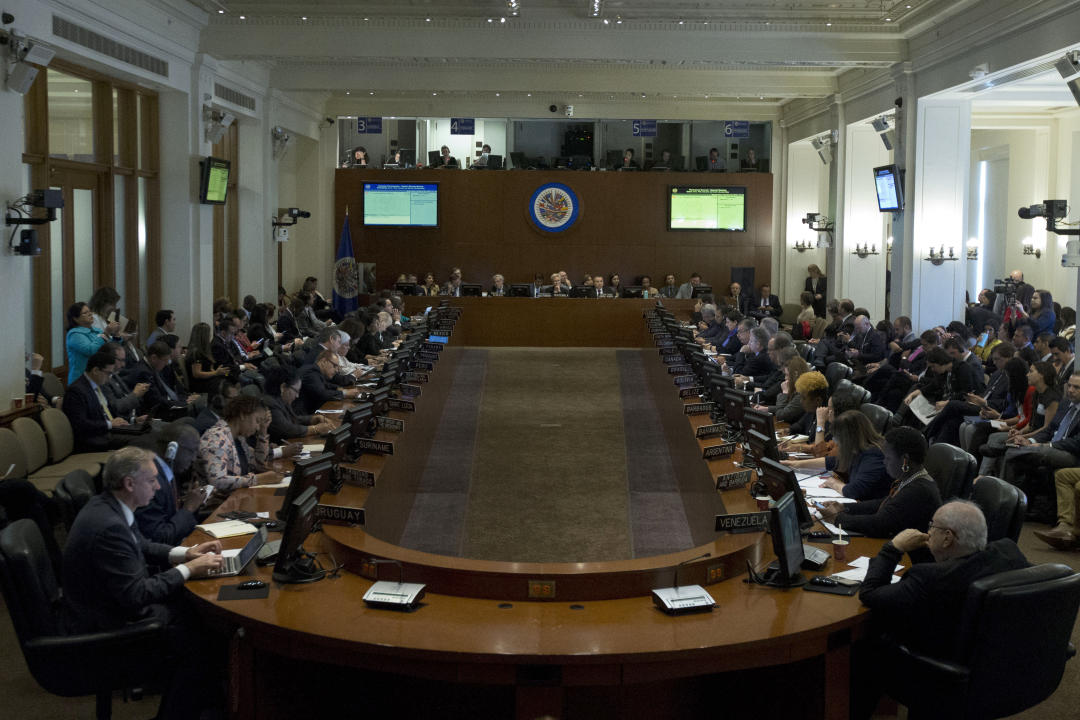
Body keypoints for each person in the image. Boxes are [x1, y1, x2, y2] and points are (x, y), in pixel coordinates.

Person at [62, 446, 226, 720]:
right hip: (105, 627)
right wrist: (189, 569)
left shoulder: (111, 505)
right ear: (129, 483)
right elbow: (137, 594)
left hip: (109, 604)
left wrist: (186, 553)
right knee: (201, 643)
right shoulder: (109, 527)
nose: (158, 486)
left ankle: (204, 703)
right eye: (151, 480)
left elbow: (142, 545)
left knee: (200, 618)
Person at [854, 501, 1029, 717]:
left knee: (865, 644)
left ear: (947, 537)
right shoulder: (1009, 552)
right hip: (1003, 670)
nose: (928, 531)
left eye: (932, 527)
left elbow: (870, 593)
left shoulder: (928, 579)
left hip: (939, 676)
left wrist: (893, 549)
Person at [817, 426, 942, 538]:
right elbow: (885, 503)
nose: (884, 462)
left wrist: (837, 518)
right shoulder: (912, 479)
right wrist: (844, 507)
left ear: (905, 460)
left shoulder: (918, 490)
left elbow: (879, 524)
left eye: (888, 458)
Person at [785, 410, 890, 501]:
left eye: (839, 439)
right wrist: (796, 464)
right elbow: (832, 461)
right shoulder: (860, 448)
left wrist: (833, 483)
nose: (837, 443)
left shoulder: (874, 456)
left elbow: (853, 491)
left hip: (866, 509)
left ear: (849, 438)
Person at [133, 422, 208, 545]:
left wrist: (192, 502)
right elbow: (160, 538)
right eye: (191, 451)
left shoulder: (166, 471)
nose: (194, 458)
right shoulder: (152, 482)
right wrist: (188, 508)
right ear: (171, 449)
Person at [194, 395, 279, 492]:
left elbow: (259, 465)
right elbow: (217, 481)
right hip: (218, 503)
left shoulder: (239, 438)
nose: (257, 428)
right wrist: (256, 479)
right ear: (243, 414)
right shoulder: (216, 437)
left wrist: (263, 432)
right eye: (257, 421)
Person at [62, 347, 135, 452]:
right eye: (108, 373)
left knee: (147, 433)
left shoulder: (97, 385)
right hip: (92, 440)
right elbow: (80, 424)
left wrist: (132, 420)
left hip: (109, 432)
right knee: (140, 441)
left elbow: (110, 411)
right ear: (95, 370)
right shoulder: (76, 391)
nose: (110, 378)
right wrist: (109, 424)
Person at [265, 365, 333, 443]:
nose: (297, 396)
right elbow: (287, 430)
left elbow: (294, 419)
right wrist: (315, 429)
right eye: (296, 391)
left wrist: (312, 419)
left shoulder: (281, 399)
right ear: (283, 387)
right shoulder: (269, 403)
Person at [65, 301, 118, 384]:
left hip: (99, 376)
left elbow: (110, 348)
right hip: (81, 379)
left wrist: (116, 335)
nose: (90, 314)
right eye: (85, 313)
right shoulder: (74, 334)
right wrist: (106, 333)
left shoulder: (96, 330)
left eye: (90, 311)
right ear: (76, 318)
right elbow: (90, 350)